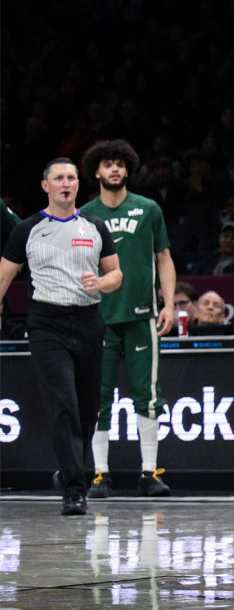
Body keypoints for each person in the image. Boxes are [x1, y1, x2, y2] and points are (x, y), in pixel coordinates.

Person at [0, 159, 122, 514]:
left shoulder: (95, 225)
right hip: (47, 322)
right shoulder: (28, 228)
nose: (66, 183)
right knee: (63, 405)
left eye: (71, 177)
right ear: (46, 186)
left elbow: (116, 274)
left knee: (88, 409)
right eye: (59, 178)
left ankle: (68, 472)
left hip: (87, 320)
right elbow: (4, 276)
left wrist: (101, 282)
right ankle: (74, 490)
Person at [79, 139, 177, 500]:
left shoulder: (148, 209)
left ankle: (149, 473)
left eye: (120, 163)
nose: (114, 169)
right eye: (107, 164)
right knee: (96, 397)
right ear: (96, 172)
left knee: (148, 396)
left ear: (127, 169)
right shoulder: (85, 214)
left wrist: (169, 304)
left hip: (141, 316)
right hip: (96, 318)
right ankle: (99, 475)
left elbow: (163, 257)